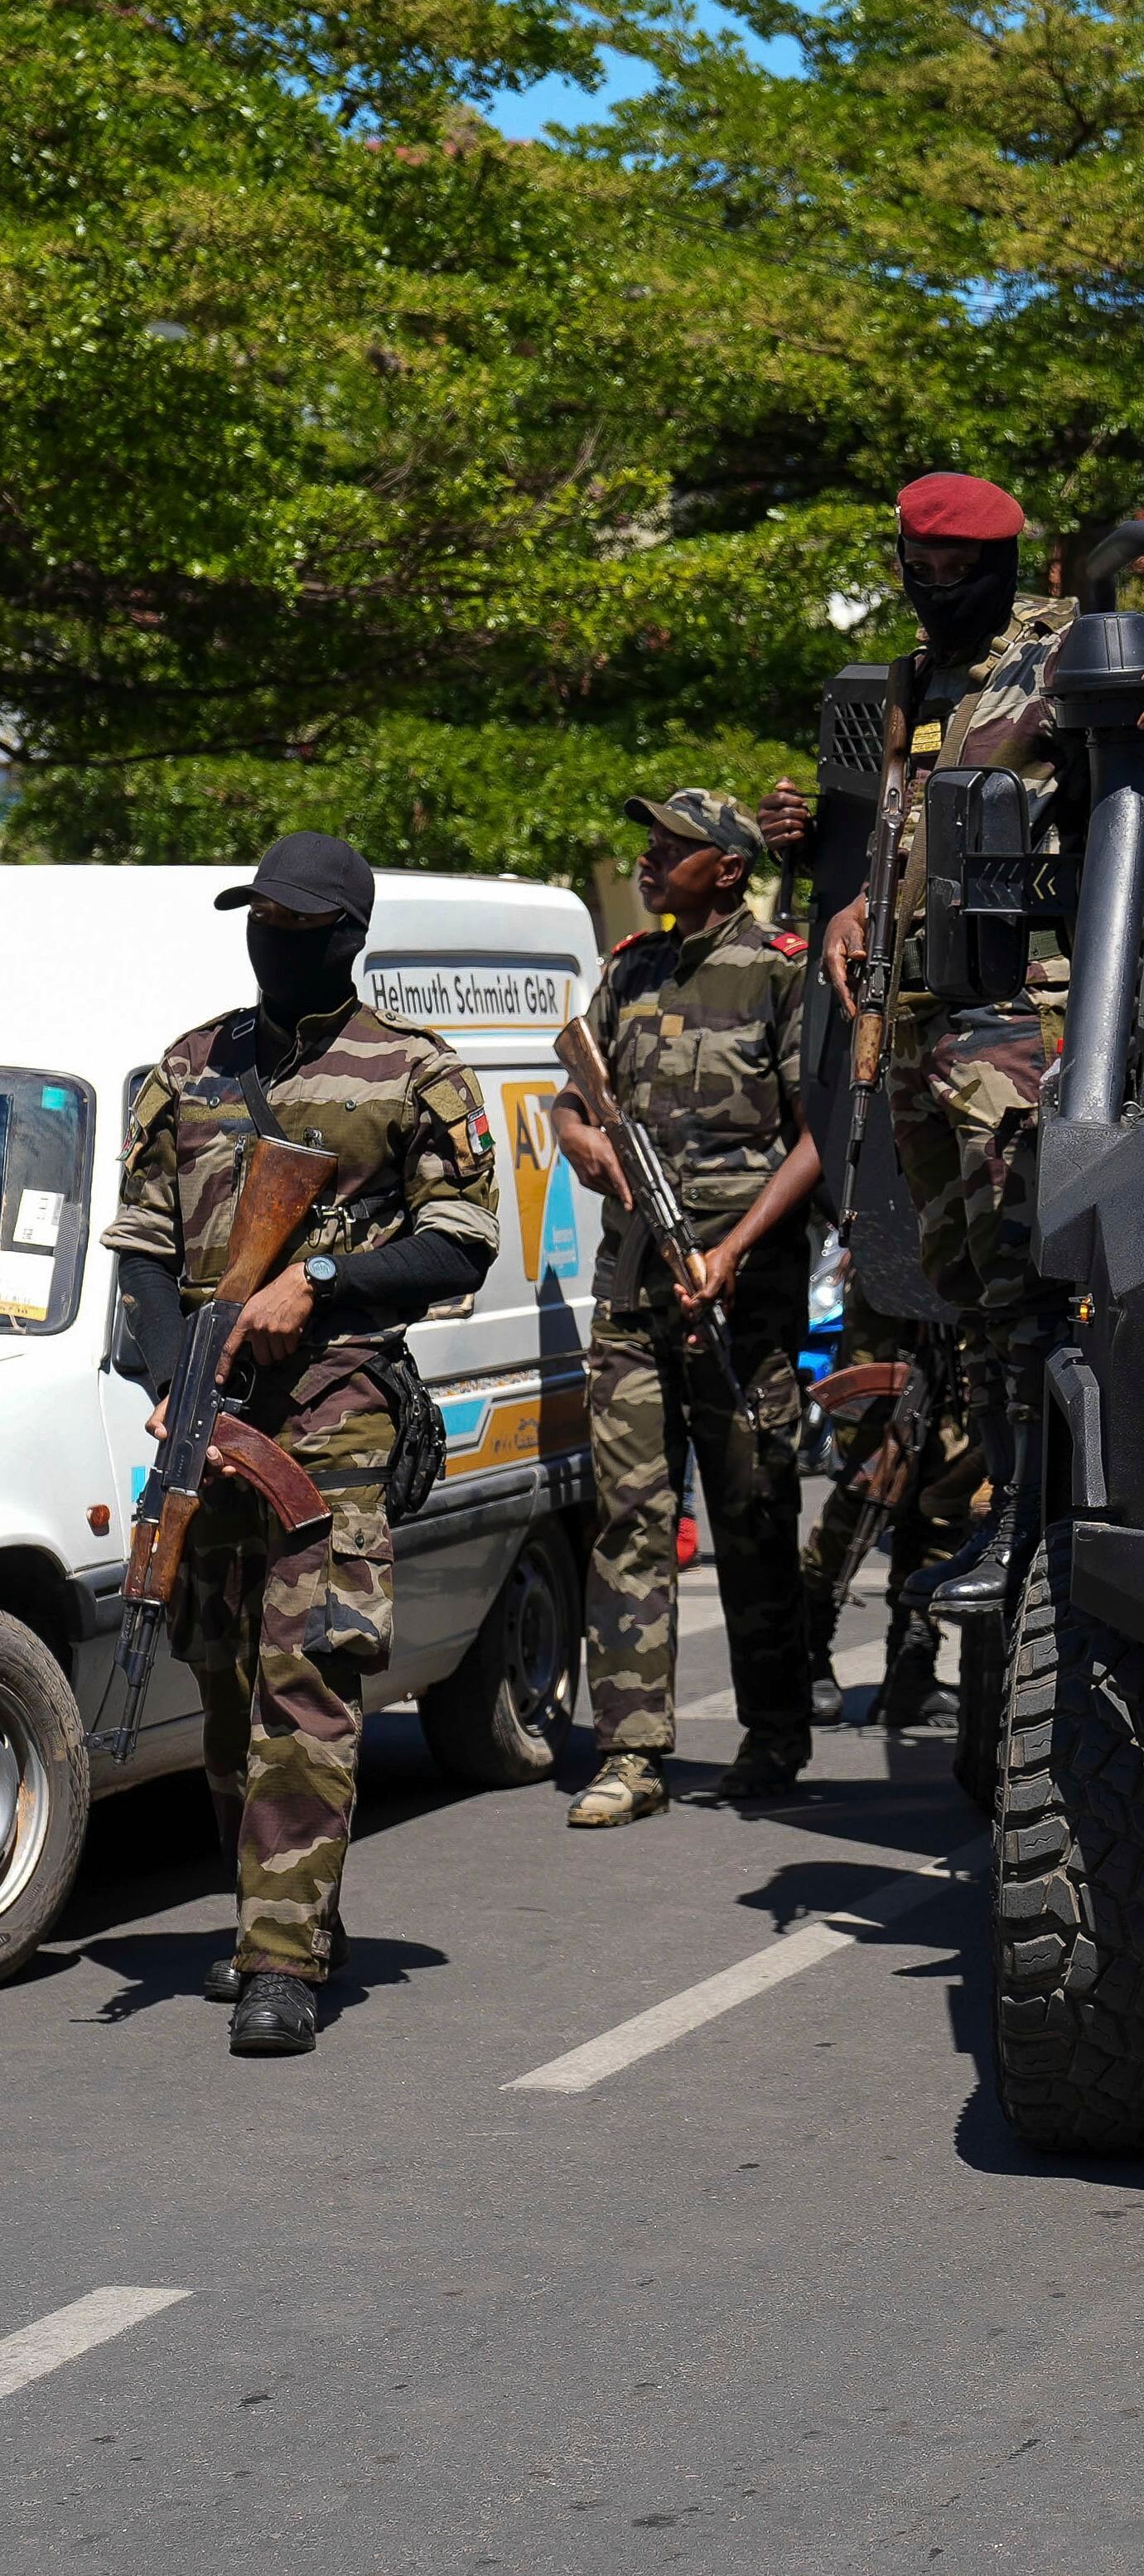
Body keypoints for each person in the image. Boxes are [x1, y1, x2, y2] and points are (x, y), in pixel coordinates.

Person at [780, 473, 1144, 1631]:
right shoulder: (918, 676)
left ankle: (1028, 1513)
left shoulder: (1063, 649)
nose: (932, 597)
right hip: (922, 1005)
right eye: (915, 576)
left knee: (1025, 1270)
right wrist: (857, 906)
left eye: (952, 578)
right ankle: (998, 1497)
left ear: (1003, 571)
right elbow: (905, 814)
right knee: (964, 1279)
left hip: (1023, 1005)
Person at [99, 832, 500, 2055]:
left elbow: (463, 1237)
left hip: (335, 1417)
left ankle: (281, 1960)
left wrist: (319, 1280)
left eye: (293, 923)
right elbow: (146, 1258)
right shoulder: (186, 1065)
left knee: (306, 1684)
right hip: (212, 1425)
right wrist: (177, 1384)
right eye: (256, 918)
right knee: (221, 1682)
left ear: (344, 936)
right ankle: (271, 1915)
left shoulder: (416, 1071)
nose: (269, 939)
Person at [548, 790, 826, 1820]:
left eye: (672, 846)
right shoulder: (628, 969)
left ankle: (774, 1734)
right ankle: (630, 1754)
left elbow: (818, 1138)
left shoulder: (782, 972)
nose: (649, 857)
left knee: (755, 1509)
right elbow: (575, 1101)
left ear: (727, 866)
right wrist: (581, 1138)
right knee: (628, 1514)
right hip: (632, 1287)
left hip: (741, 1295)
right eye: (650, 843)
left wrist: (735, 1247)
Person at [798, 1286, 975, 1733]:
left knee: (944, 1496)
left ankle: (912, 1663)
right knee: (868, 1485)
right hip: (886, 1287)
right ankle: (809, 1649)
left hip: (962, 1289)